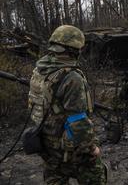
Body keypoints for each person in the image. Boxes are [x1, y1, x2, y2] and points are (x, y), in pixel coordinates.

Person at [28, 25, 106, 184]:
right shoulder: (72, 77)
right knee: (97, 175)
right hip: (69, 148)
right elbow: (78, 122)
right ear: (74, 49)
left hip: (46, 144)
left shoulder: (40, 70)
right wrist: (92, 149)